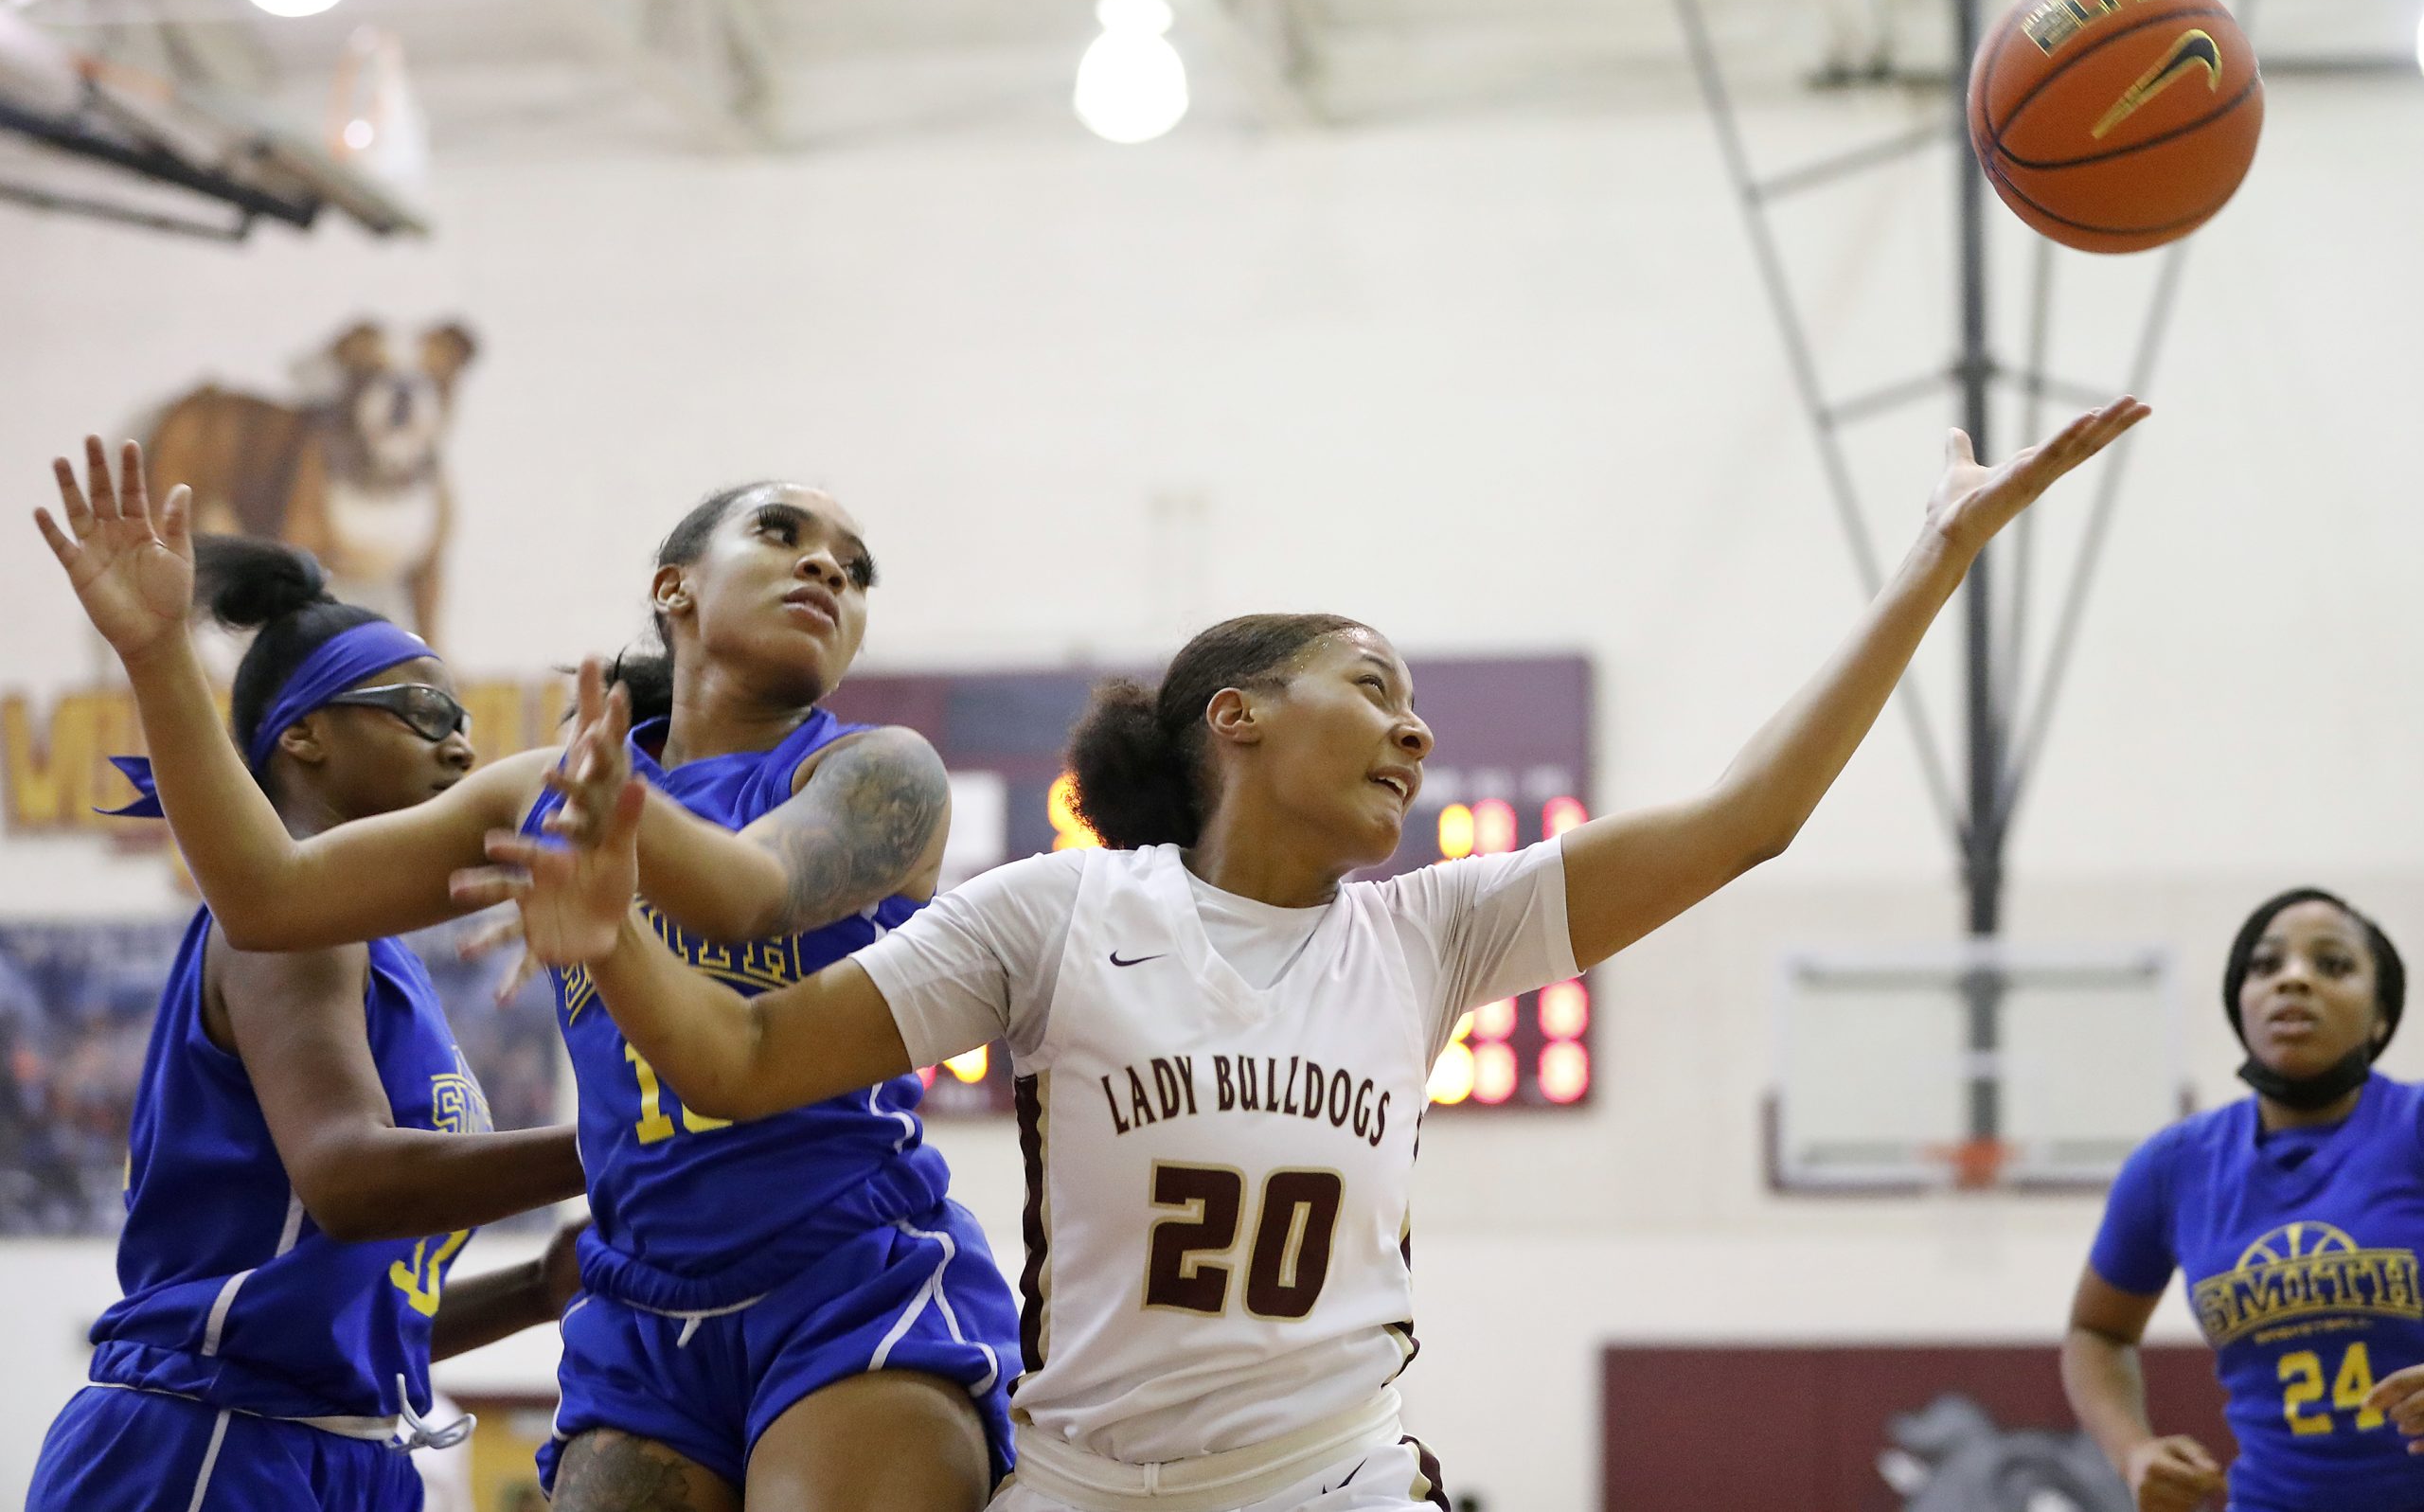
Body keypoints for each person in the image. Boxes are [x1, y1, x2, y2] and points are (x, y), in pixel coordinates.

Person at [477, 399, 2152, 1511]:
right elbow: (744, 1061)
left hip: (1327, 1474)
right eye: (1376, 682)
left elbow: (1749, 819)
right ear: (1241, 718)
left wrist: (1937, 559)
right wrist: (611, 931)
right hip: (1085, 1478)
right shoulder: (1055, 912)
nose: (1417, 730)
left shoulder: (1432, 931)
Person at [33, 438, 1018, 1512]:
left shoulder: (879, 770)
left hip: (844, 1269)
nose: (827, 567)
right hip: (642, 1309)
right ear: (673, 588)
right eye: (782, 534)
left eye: (855, 567)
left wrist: (610, 833)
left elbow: (749, 893)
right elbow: (265, 896)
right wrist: (156, 656)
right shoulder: (542, 794)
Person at [22, 532, 589, 1512]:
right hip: (209, 1437)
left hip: (331, 1442)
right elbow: (350, 1182)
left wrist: (538, 1287)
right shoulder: (295, 937)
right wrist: (625, 1143)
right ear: (304, 735)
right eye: (422, 710)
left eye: (461, 719)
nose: (460, 742)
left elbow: (334, 1310)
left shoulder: (382, 953)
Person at [2063, 888, 2424, 1512]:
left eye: (2332, 964)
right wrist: (2133, 1450)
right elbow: (2097, 1330)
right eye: (2266, 966)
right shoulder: (2175, 1165)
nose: (2293, 981)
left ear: (2381, 1017)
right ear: (2241, 1003)